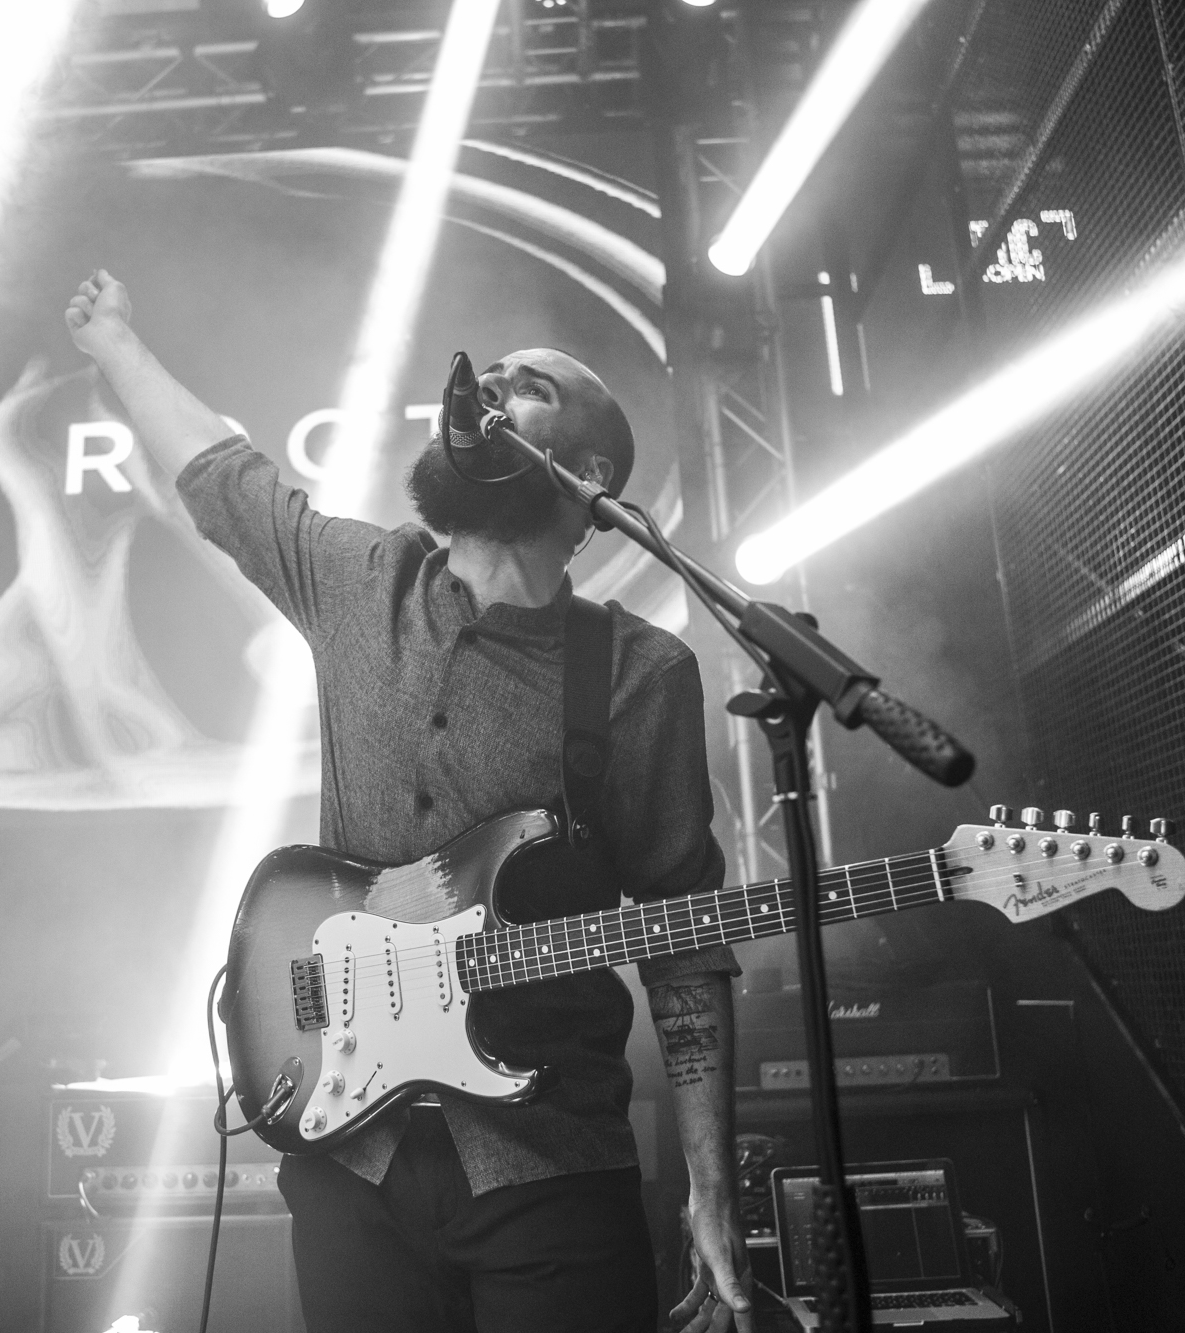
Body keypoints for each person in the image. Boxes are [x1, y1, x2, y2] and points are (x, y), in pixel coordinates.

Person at [65, 270, 751, 1333]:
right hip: (353, 1164)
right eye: (489, 377)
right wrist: (115, 342)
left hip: (549, 1166)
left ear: (588, 477)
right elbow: (221, 476)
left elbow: (684, 945)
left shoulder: (639, 674)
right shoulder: (362, 581)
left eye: (528, 389)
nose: (488, 390)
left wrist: (711, 1187)